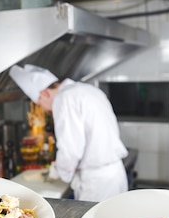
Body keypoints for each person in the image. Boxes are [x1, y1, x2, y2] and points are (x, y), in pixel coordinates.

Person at [9, 64, 129, 202]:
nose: (46, 110)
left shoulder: (64, 98)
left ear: (44, 93)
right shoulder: (88, 89)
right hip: (116, 175)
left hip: (97, 183)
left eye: (40, 104)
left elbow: (70, 148)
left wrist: (59, 171)